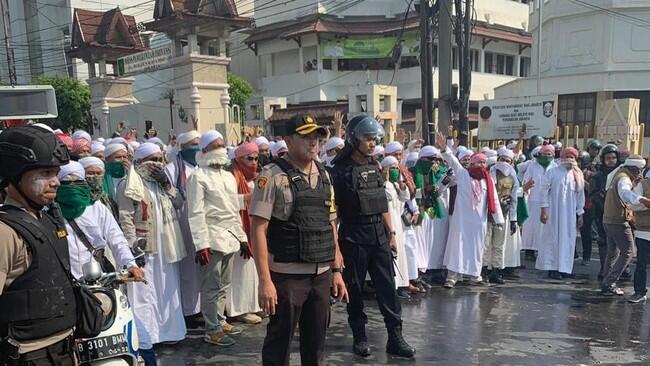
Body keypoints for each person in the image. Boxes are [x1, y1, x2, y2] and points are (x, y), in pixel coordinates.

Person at [250, 114, 348, 365]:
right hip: (287, 277)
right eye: (305, 137)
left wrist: (336, 270)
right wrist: (265, 282)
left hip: (321, 274)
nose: (313, 142)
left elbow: (330, 224)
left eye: (316, 137)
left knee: (316, 347)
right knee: (279, 347)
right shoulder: (271, 176)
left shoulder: (325, 175)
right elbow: (258, 229)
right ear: (288, 140)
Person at [331, 114, 415, 358]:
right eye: (367, 138)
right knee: (355, 290)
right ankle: (360, 336)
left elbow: (382, 204)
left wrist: (390, 234)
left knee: (388, 287)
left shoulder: (375, 166)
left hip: (378, 234)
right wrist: (335, 247)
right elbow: (334, 214)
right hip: (353, 237)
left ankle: (395, 337)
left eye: (374, 139)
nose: (372, 143)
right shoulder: (339, 171)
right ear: (354, 139)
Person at [0, 126, 77, 366]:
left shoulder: (46, 220)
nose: (56, 182)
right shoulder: (5, 231)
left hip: (62, 350)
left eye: (56, 173)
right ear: (14, 175)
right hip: (27, 356)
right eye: (45, 173)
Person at [117, 142, 187, 365]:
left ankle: (169, 333)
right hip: (145, 247)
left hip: (166, 245)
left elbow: (178, 203)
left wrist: (167, 184)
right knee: (145, 293)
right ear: (138, 162)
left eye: (160, 159)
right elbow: (125, 216)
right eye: (152, 159)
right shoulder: (128, 184)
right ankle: (148, 337)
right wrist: (132, 243)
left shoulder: (161, 184)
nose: (157, 164)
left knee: (166, 288)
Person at [188, 131, 245, 346]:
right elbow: (195, 212)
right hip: (211, 237)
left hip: (230, 237)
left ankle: (220, 320)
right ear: (204, 151)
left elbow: (232, 210)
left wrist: (243, 238)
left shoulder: (228, 176)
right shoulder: (197, 176)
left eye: (222, 144)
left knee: (225, 284)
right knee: (211, 286)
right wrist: (201, 244)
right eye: (215, 145)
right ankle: (211, 329)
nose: (220, 148)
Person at [435, 133, 504, 288]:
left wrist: (498, 219)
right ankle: (452, 277)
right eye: (478, 163)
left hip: (479, 222)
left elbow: (494, 201)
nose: (481, 166)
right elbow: (452, 161)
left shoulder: (488, 180)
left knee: (477, 247)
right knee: (457, 246)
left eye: (483, 163)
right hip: (461, 220)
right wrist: (444, 147)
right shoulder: (463, 174)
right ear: (472, 164)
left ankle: (474, 275)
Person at [55, 161, 144, 280]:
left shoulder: (96, 207)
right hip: (64, 278)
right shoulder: (50, 210)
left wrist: (130, 264)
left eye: (78, 182)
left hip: (97, 277)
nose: (72, 186)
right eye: (66, 182)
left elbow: (116, 238)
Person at [166, 130, 203, 325]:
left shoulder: (201, 167)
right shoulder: (172, 169)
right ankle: (189, 311)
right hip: (181, 222)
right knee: (187, 268)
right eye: (192, 144)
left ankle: (200, 307)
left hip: (200, 223)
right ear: (181, 147)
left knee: (200, 268)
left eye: (198, 143)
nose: (196, 147)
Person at [600, 155, 649, 295]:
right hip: (618, 221)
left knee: (612, 252)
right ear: (634, 169)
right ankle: (610, 282)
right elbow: (625, 193)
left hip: (608, 219)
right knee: (628, 252)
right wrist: (642, 199)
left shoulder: (617, 175)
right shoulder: (624, 178)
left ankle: (606, 280)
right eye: (640, 170)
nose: (641, 174)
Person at [227, 142, 263, 324]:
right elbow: (227, 201)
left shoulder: (255, 177)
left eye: (256, 158)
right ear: (239, 159)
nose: (254, 162)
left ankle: (254, 305)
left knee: (254, 270)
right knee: (241, 272)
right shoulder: (233, 176)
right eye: (250, 158)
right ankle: (239, 309)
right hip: (239, 228)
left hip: (255, 226)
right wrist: (248, 197)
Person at [536, 147, 585, 279]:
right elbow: (544, 191)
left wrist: (580, 213)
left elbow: (580, 195)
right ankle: (552, 269)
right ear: (562, 157)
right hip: (553, 212)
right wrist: (544, 210)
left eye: (572, 156)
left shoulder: (577, 174)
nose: (570, 158)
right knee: (553, 238)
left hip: (569, 214)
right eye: (567, 156)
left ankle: (565, 268)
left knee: (568, 239)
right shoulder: (553, 172)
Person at [484, 147, 519, 284]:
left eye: (508, 161)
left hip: (503, 215)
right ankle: (484, 270)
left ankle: (496, 271)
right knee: (486, 244)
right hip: (489, 213)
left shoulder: (513, 175)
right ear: (498, 159)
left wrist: (513, 219)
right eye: (502, 159)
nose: (505, 163)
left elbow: (514, 198)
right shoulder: (491, 172)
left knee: (499, 244)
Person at [380, 156, 411, 298]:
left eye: (396, 168)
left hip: (398, 226)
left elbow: (405, 197)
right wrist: (386, 180)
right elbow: (386, 197)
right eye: (391, 168)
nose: (395, 171)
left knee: (400, 256)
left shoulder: (396, 185)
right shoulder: (384, 184)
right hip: (389, 225)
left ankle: (399, 285)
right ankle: (391, 287)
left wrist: (401, 183)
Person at [520, 144, 556, 259]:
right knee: (531, 226)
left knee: (544, 227)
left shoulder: (555, 167)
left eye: (549, 154)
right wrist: (527, 187)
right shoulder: (532, 166)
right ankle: (529, 251)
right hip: (533, 200)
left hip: (548, 202)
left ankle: (542, 251)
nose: (546, 156)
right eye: (544, 154)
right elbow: (526, 180)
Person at [589, 144, 620, 278]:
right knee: (603, 241)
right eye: (608, 158)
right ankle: (604, 268)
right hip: (602, 213)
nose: (611, 160)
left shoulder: (621, 174)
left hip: (619, 214)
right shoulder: (598, 176)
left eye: (613, 158)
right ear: (603, 159)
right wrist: (606, 208)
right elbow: (594, 195)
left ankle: (619, 269)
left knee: (619, 242)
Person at [628, 169, 650, 303]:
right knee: (641, 264)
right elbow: (633, 205)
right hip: (644, 231)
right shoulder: (644, 184)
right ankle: (639, 292)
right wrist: (647, 205)